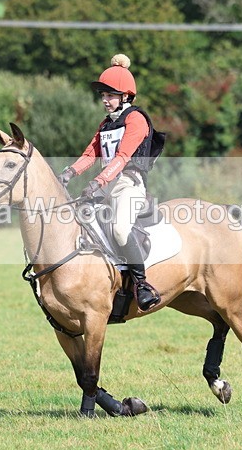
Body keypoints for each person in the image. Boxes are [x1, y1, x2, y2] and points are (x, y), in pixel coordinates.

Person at [57, 54, 164, 312]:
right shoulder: (107, 124)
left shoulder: (136, 119)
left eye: (111, 95)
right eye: (103, 95)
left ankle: (142, 285)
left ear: (125, 96)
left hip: (130, 184)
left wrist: (97, 182)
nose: (105, 100)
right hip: (108, 185)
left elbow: (123, 157)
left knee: (118, 229)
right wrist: (68, 173)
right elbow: (90, 154)